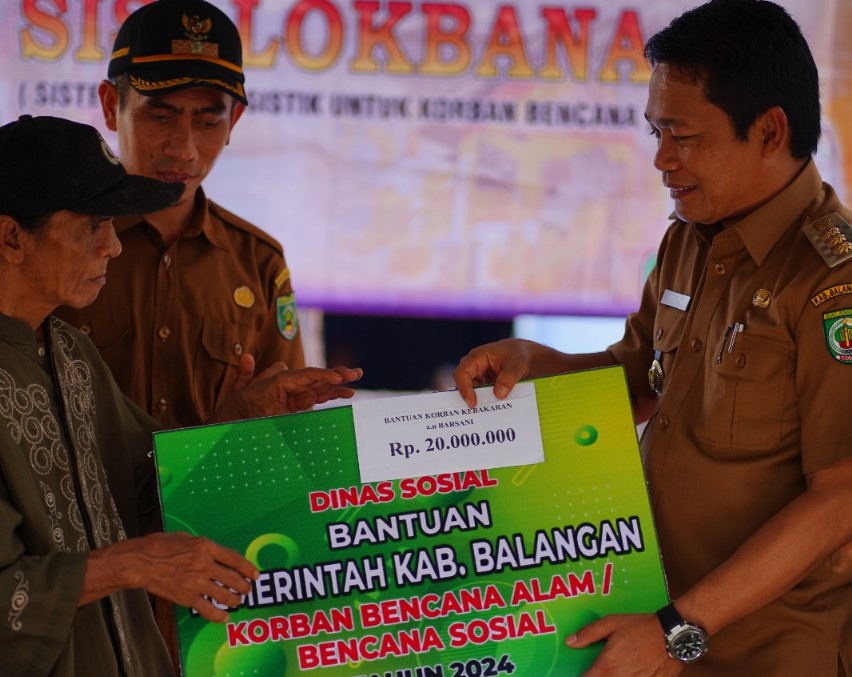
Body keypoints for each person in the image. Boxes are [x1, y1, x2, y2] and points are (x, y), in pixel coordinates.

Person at [453, 1, 852, 674]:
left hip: (766, 653)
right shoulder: (690, 240)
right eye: (655, 132)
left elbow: (840, 498)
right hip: (657, 632)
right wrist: (536, 364)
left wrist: (678, 628)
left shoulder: (832, 282)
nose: (662, 159)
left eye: (682, 136)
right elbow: (642, 381)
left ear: (769, 131)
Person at [0, 114, 360, 676]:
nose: (113, 247)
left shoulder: (70, 352)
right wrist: (129, 566)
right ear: (11, 237)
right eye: (93, 226)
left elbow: (151, 488)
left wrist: (238, 418)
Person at [56, 0, 308, 429]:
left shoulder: (259, 263)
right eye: (160, 116)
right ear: (110, 105)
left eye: (208, 123)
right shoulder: (53, 240)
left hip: (213, 479)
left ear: (234, 121)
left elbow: (287, 425)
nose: (183, 149)